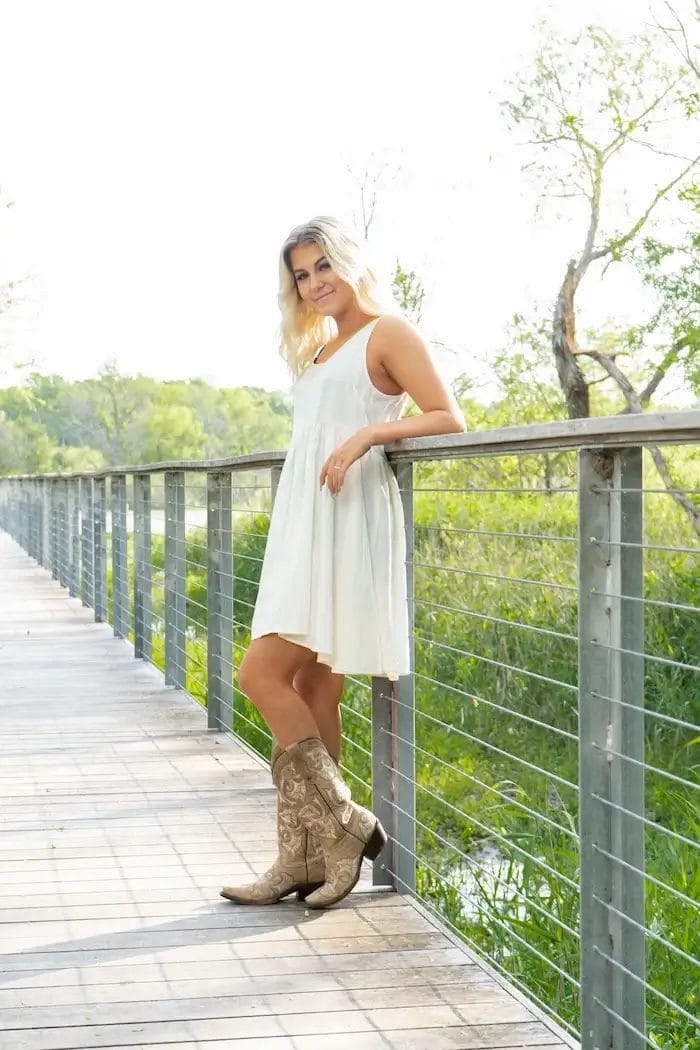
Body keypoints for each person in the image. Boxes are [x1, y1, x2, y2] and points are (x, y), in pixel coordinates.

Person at [220, 215, 465, 909]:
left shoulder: (388, 333)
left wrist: (370, 434)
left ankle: (343, 825)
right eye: (302, 274)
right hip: (309, 521)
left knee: (259, 673)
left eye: (323, 265)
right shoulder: (322, 350)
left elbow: (448, 415)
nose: (315, 282)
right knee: (315, 685)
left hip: (349, 518)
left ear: (349, 262)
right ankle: (302, 858)